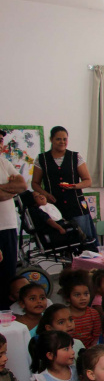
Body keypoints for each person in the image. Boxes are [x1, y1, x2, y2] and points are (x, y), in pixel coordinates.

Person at [31, 126, 98, 250]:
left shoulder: (75, 157)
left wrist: (74, 186)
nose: (62, 142)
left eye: (65, 139)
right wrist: (46, 194)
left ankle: (89, 269)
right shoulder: (42, 159)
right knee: (63, 244)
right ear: (51, 139)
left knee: (86, 241)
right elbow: (35, 183)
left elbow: (88, 181)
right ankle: (67, 268)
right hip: (55, 207)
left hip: (76, 206)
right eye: (58, 139)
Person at [0, 129, 27, 307]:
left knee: (8, 274)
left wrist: (3, 190)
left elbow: (22, 185)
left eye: (1, 140)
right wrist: (10, 188)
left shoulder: (3, 161)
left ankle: (5, 313)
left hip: (9, 226)